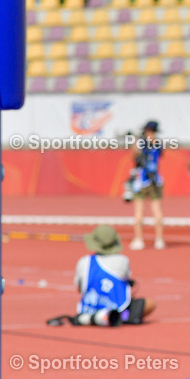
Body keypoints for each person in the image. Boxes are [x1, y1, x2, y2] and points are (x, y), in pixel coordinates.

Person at [73, 225, 155, 324]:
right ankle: (123, 316)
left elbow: (80, 289)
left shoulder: (84, 261)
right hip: (117, 307)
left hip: (89, 307)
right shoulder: (122, 260)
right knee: (150, 303)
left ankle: (95, 317)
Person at [131, 120, 165, 251]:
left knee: (139, 212)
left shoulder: (140, 142)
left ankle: (139, 239)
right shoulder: (158, 142)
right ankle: (159, 240)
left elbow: (134, 156)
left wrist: (135, 141)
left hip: (142, 181)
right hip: (155, 180)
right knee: (157, 211)